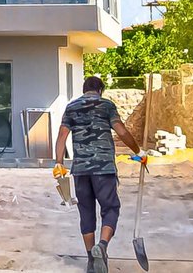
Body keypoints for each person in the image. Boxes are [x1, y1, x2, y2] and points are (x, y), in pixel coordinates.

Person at [55, 76, 145, 273]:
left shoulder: (72, 107)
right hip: (104, 168)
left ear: (84, 89)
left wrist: (59, 163)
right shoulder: (106, 105)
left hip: (81, 170)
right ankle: (102, 246)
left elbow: (62, 136)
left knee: (86, 212)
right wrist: (139, 151)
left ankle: (90, 259)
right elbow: (121, 131)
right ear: (100, 90)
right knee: (110, 208)